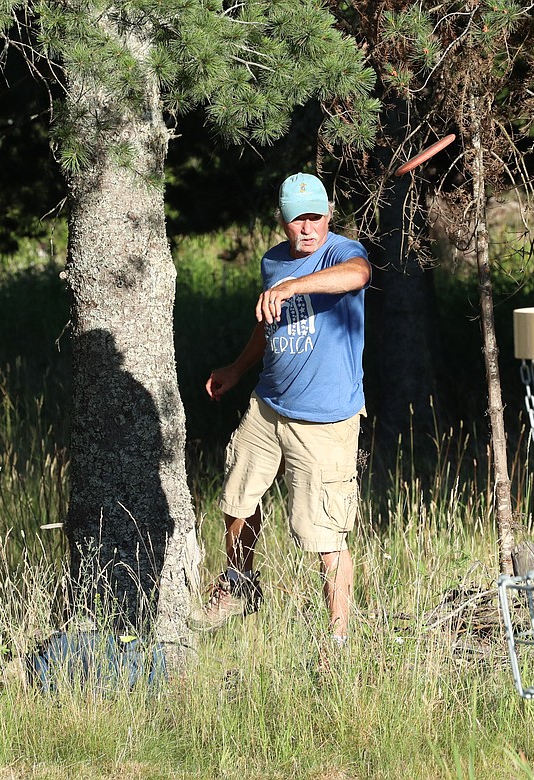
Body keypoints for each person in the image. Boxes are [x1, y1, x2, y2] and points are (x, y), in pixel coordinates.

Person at [192, 172, 369, 645]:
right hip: (268, 406)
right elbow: (270, 325)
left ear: (329, 215)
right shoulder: (274, 261)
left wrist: (296, 287)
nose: (308, 228)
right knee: (236, 499)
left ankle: (337, 643)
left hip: (325, 421)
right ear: (284, 221)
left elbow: (358, 276)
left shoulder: (343, 254)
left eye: (316, 217)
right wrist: (236, 368)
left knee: (323, 535)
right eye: (298, 220)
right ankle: (240, 585)